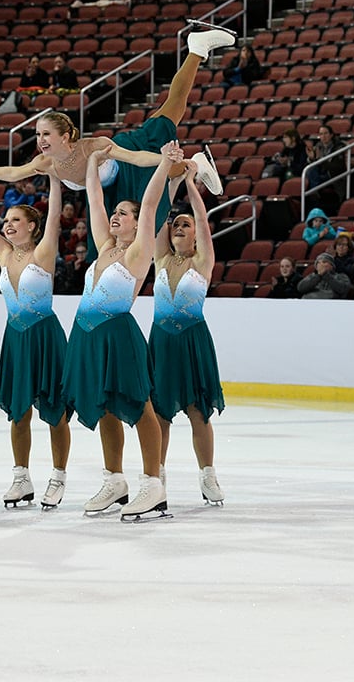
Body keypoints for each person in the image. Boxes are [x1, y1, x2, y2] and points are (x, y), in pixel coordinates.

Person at [0, 23, 234, 259]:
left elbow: (135, 158)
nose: (41, 140)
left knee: (172, 119)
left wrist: (164, 159)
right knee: (172, 111)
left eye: (46, 134)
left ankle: (193, 158)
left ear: (66, 136)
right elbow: (12, 173)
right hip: (108, 196)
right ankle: (196, 53)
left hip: (127, 162)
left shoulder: (91, 146)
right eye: (37, 135)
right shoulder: (46, 162)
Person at [62, 142, 179, 522]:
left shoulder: (138, 251)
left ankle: (152, 483)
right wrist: (93, 163)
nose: (116, 216)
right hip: (87, 337)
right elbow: (94, 202)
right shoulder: (103, 249)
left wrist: (163, 166)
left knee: (139, 405)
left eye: (123, 214)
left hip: (117, 334)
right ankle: (114, 480)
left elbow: (149, 207)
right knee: (104, 405)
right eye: (117, 212)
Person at [0, 156, 72, 509]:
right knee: (19, 412)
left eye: (15, 221)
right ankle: (21, 477)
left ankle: (58, 477)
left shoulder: (44, 252)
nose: (6, 226)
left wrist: (53, 179)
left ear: (32, 228)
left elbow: (54, 216)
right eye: (6, 220)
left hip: (45, 336)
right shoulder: (4, 254)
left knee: (54, 412)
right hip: (16, 339)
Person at [150, 159, 226, 506]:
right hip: (162, 343)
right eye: (175, 224)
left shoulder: (202, 262)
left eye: (185, 224)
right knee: (161, 413)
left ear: (196, 232)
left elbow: (201, 216)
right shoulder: (161, 260)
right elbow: (157, 215)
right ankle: (157, 474)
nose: (178, 227)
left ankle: (208, 475)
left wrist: (192, 183)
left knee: (198, 411)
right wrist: (173, 179)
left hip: (193, 341)